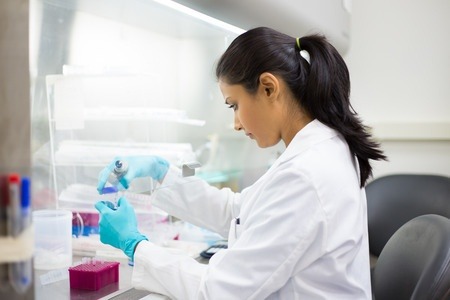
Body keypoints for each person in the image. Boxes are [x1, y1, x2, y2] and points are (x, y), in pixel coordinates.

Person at [95, 26, 386, 299]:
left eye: (234, 105)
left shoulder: (306, 174)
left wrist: (134, 245)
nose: (235, 123)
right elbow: (238, 211)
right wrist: (162, 174)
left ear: (269, 88)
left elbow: (219, 291)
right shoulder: (319, 150)